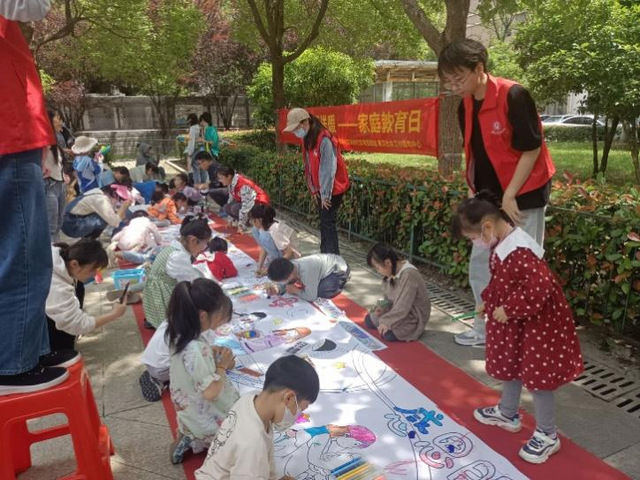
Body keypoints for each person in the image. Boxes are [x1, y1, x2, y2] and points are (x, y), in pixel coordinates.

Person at [437, 39, 556, 347]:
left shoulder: (513, 95)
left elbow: (531, 148)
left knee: (521, 267)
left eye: (458, 79)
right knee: (481, 262)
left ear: (479, 68)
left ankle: (521, 337)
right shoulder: (464, 105)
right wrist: (472, 193)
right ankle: (483, 328)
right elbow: (475, 152)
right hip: (488, 198)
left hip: (523, 194)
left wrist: (510, 194)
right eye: (448, 81)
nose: (454, 86)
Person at [452, 193, 583, 464]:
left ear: (487, 226)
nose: (474, 242)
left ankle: (548, 434)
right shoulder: (502, 243)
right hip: (520, 321)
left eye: (472, 237)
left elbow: (540, 287)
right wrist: (489, 301)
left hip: (538, 325)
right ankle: (508, 412)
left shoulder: (519, 251)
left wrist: (509, 309)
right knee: (511, 362)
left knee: (538, 376)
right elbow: (503, 282)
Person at [0, 0, 70, 395]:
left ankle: (30, 351)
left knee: (23, 254)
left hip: (14, 130)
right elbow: (32, 6)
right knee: (25, 256)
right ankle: (14, 364)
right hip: (7, 130)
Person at [195, 355, 320, 480]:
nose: (298, 415)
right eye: (301, 409)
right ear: (288, 398)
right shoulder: (253, 446)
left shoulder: (251, 399)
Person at [167, 279, 239, 464]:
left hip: (187, 409)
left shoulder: (178, 332)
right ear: (203, 316)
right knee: (244, 424)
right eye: (220, 316)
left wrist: (210, 353)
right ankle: (216, 447)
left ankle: (188, 435)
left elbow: (189, 364)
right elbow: (211, 393)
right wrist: (222, 366)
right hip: (205, 415)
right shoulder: (197, 349)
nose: (221, 321)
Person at [46, 240, 127, 362]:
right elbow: (77, 324)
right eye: (92, 270)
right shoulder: (56, 286)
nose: (94, 274)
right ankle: (53, 353)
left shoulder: (62, 257)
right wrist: (114, 314)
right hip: (30, 324)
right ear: (74, 264)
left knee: (79, 286)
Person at [282, 108, 350, 255]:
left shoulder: (324, 139)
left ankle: (332, 256)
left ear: (305, 122)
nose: (295, 132)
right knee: (324, 221)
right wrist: (313, 189)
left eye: (296, 128)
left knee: (328, 222)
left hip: (333, 188)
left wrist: (325, 195)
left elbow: (328, 169)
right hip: (321, 188)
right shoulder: (307, 138)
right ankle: (326, 253)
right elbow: (308, 166)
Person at [142, 216, 212, 328]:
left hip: (157, 289)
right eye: (204, 244)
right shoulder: (178, 256)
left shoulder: (175, 247)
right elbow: (189, 283)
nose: (203, 249)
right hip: (163, 295)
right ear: (193, 240)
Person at [364, 243, 431, 342]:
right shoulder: (391, 273)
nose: (378, 271)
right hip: (397, 311)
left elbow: (403, 307)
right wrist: (381, 307)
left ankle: (400, 326)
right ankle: (388, 322)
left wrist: (386, 321)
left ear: (388, 263)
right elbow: (388, 299)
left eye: (377, 268)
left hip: (412, 316)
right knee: (369, 320)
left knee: (388, 334)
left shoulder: (409, 275)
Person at [266, 254, 349, 302]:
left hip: (339, 268)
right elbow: (286, 282)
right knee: (311, 286)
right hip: (325, 267)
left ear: (290, 275)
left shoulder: (307, 271)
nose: (282, 283)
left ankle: (342, 281)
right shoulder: (289, 267)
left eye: (282, 281)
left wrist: (296, 291)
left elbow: (311, 296)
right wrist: (278, 288)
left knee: (321, 291)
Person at [61, 185, 131, 239]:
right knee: (104, 220)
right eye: (120, 200)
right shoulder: (101, 200)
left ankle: (88, 239)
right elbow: (115, 222)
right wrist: (124, 207)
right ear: (115, 195)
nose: (119, 202)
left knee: (106, 215)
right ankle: (89, 240)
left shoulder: (97, 192)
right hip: (71, 226)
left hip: (69, 220)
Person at [249, 204, 300, 277]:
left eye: (253, 220)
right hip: (279, 252)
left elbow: (289, 253)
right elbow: (264, 247)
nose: (251, 222)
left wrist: (273, 267)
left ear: (260, 220)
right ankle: (274, 260)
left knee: (263, 236)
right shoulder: (265, 226)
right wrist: (259, 266)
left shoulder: (275, 231)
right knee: (255, 230)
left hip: (290, 258)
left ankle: (278, 263)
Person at [217, 165, 270, 232]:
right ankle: (244, 223)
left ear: (229, 176)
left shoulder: (243, 185)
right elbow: (230, 200)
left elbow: (246, 206)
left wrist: (241, 225)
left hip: (259, 204)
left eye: (221, 178)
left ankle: (249, 225)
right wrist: (230, 221)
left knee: (235, 208)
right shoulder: (231, 183)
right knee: (227, 207)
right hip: (248, 202)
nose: (220, 180)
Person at [44, 110, 67, 242]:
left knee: (58, 224)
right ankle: (52, 253)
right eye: (59, 119)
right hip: (49, 185)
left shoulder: (55, 140)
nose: (61, 122)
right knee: (51, 228)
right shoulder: (44, 138)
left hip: (60, 184)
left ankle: (56, 251)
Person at [186, 113, 207, 184]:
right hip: (202, 149)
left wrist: (189, 153)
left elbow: (191, 141)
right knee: (203, 167)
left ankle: (197, 184)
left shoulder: (192, 128)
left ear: (190, 120)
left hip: (196, 150)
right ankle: (203, 184)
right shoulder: (200, 127)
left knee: (195, 168)